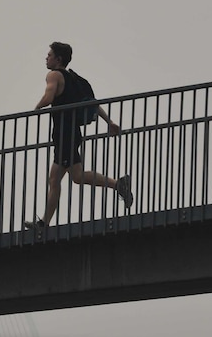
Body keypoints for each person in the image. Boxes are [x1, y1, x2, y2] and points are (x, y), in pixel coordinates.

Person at [24, 41, 132, 230]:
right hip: (72, 133)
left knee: (65, 177)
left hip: (65, 134)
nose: (46, 58)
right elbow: (91, 103)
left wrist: (35, 109)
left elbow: (49, 97)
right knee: (66, 177)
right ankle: (118, 184)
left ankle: (44, 223)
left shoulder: (54, 75)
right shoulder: (75, 80)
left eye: (49, 55)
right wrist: (110, 122)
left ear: (58, 59)